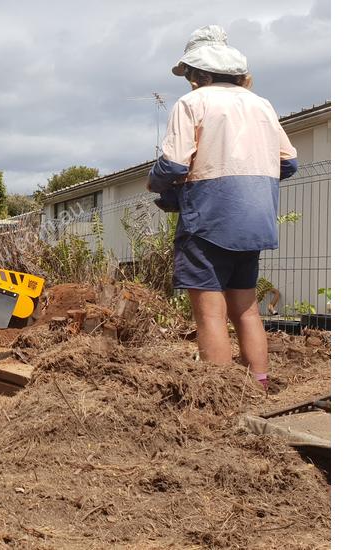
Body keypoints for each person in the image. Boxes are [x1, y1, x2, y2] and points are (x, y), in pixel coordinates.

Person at [147, 25, 298, 391]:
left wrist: (154, 183)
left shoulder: (192, 104)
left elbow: (174, 166)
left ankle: (221, 393)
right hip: (254, 220)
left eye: (189, 74)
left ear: (197, 74)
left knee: (210, 314)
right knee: (245, 308)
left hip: (209, 220)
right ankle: (258, 384)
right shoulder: (262, 105)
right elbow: (289, 162)